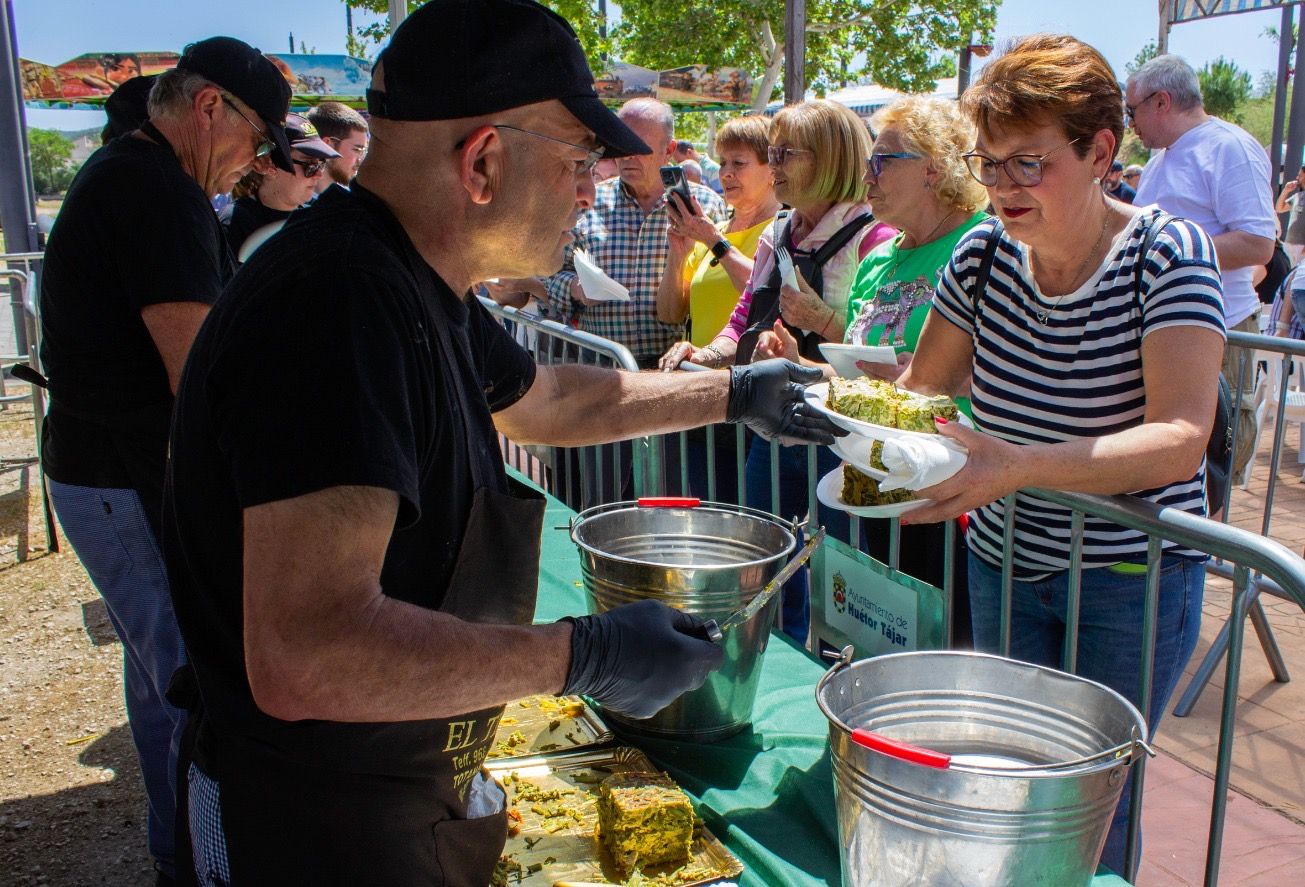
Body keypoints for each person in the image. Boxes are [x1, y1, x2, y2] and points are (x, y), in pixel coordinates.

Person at [162, 3, 840, 884]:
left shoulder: (411, 276)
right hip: (309, 822)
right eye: (576, 161)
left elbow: (546, 396)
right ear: (482, 160)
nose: (590, 189)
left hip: (386, 784)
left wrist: (736, 391)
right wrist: (582, 654)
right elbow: (308, 649)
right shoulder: (336, 306)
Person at [897, 35, 1224, 876]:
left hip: (1127, 583)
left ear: (1100, 152)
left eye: (1028, 164)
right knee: (1006, 789)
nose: (1003, 188)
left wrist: (1012, 464)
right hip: (1002, 562)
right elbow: (921, 390)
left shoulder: (1168, 253)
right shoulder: (976, 256)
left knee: (1091, 811)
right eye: (990, 164)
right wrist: (851, 418)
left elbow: (1180, 438)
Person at [37, 37, 291, 886]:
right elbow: (200, 377)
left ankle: (176, 848)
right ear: (210, 106)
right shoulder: (157, 192)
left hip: (106, 469)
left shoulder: (133, 175)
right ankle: (198, 862)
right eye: (257, 139)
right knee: (192, 680)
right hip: (124, 476)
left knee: (159, 675)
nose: (254, 164)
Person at [669, 99, 897, 641]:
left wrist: (821, 319)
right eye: (772, 153)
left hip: (843, 438)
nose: (775, 166)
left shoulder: (876, 238)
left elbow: (882, 353)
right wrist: (701, 356)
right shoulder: (778, 234)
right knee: (766, 561)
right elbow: (743, 319)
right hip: (773, 429)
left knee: (846, 580)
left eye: (785, 153)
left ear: (831, 157)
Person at [764, 96, 989, 643]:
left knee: (943, 652)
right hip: (875, 482)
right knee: (878, 641)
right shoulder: (878, 259)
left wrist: (936, 382)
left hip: (953, 492)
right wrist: (803, 365)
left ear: (934, 166)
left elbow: (1014, 371)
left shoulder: (984, 245)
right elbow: (862, 369)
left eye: (883, 160)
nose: (867, 174)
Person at [1128, 53, 1275, 484]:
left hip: (1217, 327)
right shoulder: (1162, 159)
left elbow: (1258, 241)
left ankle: (1202, 541)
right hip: (1161, 328)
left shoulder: (1229, 147)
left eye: (1131, 110)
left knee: (1215, 453)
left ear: (1161, 102)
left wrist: (1170, 255)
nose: (1129, 122)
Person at [543, 98, 727, 368]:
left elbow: (718, 286)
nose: (627, 155)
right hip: (600, 367)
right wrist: (574, 288)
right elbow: (549, 270)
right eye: (621, 144)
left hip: (677, 368)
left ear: (669, 149)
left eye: (639, 146)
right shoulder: (587, 202)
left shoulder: (705, 206)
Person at [655, 114, 780, 502]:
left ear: (772, 169)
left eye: (738, 163)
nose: (726, 173)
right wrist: (679, 254)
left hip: (749, 402)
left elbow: (762, 293)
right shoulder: (717, 231)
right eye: (722, 163)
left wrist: (711, 241)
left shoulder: (780, 228)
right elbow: (671, 312)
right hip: (706, 395)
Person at [220, 113, 339, 260]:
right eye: (310, 166)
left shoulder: (319, 217)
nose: (319, 174)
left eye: (321, 164)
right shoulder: (233, 224)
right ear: (269, 165)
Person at [306, 100, 369, 192]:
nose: (361, 161)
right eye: (357, 150)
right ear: (327, 145)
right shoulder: (289, 201)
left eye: (364, 151)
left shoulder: (352, 202)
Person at [1275, 164, 1305, 261]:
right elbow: (1279, 208)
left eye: (1300, 176)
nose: (1297, 178)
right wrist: (1286, 190)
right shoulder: (1298, 196)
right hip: (1289, 245)